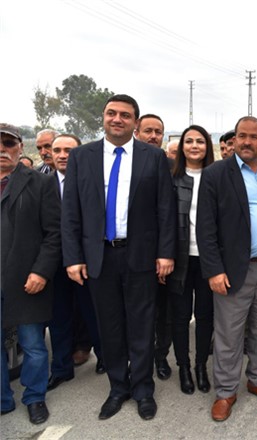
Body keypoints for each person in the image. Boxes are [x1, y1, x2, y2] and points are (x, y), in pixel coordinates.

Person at [61, 94, 176, 421]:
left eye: (125, 115)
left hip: (141, 255)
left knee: (141, 325)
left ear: (135, 122)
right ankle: (118, 387)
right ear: (103, 117)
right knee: (109, 326)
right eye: (112, 113)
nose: (117, 119)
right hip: (99, 256)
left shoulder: (153, 157)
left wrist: (165, 252)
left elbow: (165, 209)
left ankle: (143, 389)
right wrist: (73, 257)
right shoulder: (82, 156)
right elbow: (71, 211)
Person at [197, 116, 257, 421]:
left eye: (253, 137)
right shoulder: (216, 173)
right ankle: (226, 391)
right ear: (233, 140)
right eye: (241, 136)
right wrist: (214, 270)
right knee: (229, 333)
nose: (246, 142)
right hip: (233, 268)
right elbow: (205, 227)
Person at [0, 123, 60, 424]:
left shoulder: (39, 183)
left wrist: (41, 272)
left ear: (20, 147)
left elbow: (54, 233)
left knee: (33, 345)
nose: (2, 149)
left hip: (27, 280)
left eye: (8, 143)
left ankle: (35, 397)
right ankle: (3, 399)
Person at [47, 134, 105, 393]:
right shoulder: (42, 184)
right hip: (54, 264)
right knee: (59, 318)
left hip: (86, 262)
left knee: (94, 313)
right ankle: (61, 368)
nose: (62, 155)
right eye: (57, 150)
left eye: (68, 150)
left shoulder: (93, 181)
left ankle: (104, 357)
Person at [166, 125, 215, 395]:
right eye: (189, 141)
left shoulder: (216, 177)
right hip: (178, 260)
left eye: (200, 141)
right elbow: (162, 221)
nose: (194, 146)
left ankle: (200, 366)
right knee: (181, 316)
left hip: (208, 260)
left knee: (206, 316)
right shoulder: (170, 178)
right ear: (181, 147)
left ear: (207, 146)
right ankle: (183, 366)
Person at [134, 114, 173, 381]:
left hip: (166, 254)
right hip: (136, 254)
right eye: (148, 130)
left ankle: (161, 356)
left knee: (165, 312)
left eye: (158, 132)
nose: (153, 136)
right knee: (139, 314)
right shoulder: (127, 164)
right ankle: (140, 360)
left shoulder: (172, 166)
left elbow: (170, 213)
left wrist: (166, 253)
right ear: (137, 132)